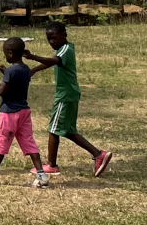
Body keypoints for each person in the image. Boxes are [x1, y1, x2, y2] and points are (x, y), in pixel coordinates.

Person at [25, 22, 113, 176]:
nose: (51, 41)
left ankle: (51, 165)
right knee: (69, 130)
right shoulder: (63, 49)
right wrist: (34, 70)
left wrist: (32, 57)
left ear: (64, 35)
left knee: (54, 129)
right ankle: (99, 155)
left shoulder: (65, 49)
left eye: (54, 38)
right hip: (70, 94)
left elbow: (53, 61)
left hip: (65, 96)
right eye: (48, 39)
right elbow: (54, 62)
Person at [0, 37, 47, 187]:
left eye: (5, 53)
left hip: (9, 113)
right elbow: (16, 82)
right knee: (29, 141)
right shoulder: (25, 69)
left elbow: (1, 91)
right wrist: (7, 74)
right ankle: (41, 175)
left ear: (10, 53)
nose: (5, 55)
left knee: (2, 142)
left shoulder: (11, 71)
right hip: (24, 111)